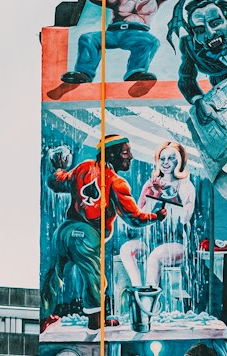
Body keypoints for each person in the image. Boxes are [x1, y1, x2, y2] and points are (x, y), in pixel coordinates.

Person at [41, 133, 167, 326]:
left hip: (64, 232)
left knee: (53, 276)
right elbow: (134, 218)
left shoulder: (82, 168)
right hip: (86, 235)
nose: (131, 156)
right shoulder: (116, 182)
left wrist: (57, 168)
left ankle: (43, 317)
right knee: (95, 278)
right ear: (112, 156)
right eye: (126, 152)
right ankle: (95, 322)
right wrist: (156, 216)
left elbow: (57, 182)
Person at [63, 0, 187, 85]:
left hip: (137, 35)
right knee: (88, 38)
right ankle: (83, 74)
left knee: (150, 41)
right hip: (113, 34)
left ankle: (136, 73)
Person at [119, 139, 196, 302]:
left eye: (171, 158)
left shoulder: (186, 186)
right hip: (151, 240)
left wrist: (168, 197)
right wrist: (151, 195)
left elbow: (184, 218)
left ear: (179, 160)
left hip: (176, 243)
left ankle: (148, 301)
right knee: (127, 249)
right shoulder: (150, 183)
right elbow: (139, 215)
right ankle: (137, 292)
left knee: (155, 256)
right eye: (162, 159)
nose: (166, 163)